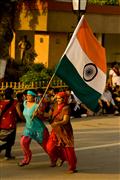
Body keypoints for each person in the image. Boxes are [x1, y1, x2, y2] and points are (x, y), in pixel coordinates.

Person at [43, 91, 77, 173]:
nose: (58, 100)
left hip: (65, 131)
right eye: (57, 98)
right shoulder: (54, 106)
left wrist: (57, 123)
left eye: (60, 98)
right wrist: (39, 113)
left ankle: (72, 167)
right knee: (49, 147)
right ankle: (62, 157)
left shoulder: (66, 108)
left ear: (64, 99)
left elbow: (65, 121)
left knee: (68, 149)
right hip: (55, 131)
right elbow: (48, 115)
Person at [18, 89, 50, 166]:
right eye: (27, 96)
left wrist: (38, 113)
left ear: (34, 97)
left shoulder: (37, 106)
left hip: (39, 129)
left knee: (46, 147)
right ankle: (26, 159)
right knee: (23, 142)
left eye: (30, 96)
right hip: (28, 129)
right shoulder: (25, 103)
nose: (28, 97)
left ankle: (54, 158)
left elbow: (45, 116)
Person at [0, 88, 23, 159]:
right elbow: (20, 114)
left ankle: (7, 155)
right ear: (12, 94)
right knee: (11, 141)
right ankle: (4, 152)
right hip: (11, 124)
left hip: (2, 124)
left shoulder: (1, 102)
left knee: (6, 140)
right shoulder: (15, 102)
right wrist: (25, 119)